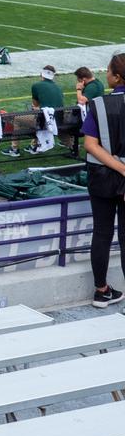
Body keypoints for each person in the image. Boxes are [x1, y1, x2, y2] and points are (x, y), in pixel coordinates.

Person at [82, 54, 125, 307]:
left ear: (117, 77)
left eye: (108, 70)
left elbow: (90, 145)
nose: (105, 73)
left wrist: (118, 167)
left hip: (101, 177)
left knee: (102, 233)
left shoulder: (98, 104)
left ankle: (101, 290)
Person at [3, 65, 66, 158]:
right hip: (57, 121)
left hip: (45, 121)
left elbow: (35, 105)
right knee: (37, 117)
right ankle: (33, 145)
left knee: (17, 118)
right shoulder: (58, 87)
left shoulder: (37, 85)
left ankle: (14, 149)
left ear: (42, 74)